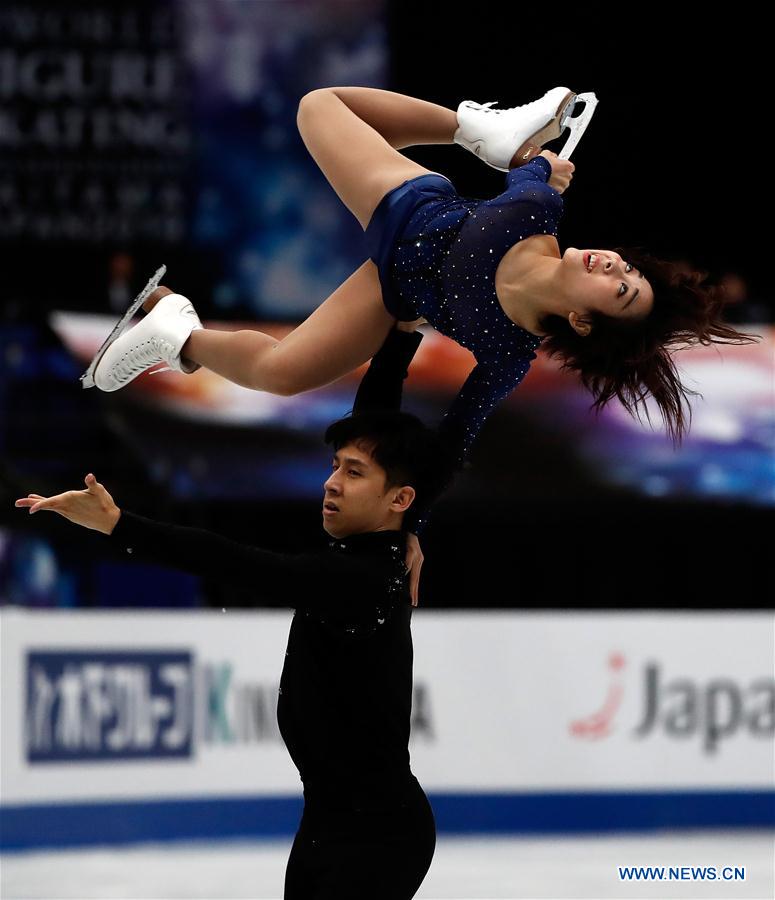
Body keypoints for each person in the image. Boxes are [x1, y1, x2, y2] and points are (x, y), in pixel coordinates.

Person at [89, 84, 757, 498]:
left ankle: (175, 333)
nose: (613, 267)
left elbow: (453, 444)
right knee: (318, 106)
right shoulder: (537, 216)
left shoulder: (507, 354)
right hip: (406, 207)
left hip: (390, 293)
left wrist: (404, 529)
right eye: (626, 270)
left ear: (582, 321)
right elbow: (530, 179)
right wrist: (534, 163)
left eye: (617, 291)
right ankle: (474, 128)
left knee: (280, 373)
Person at [15, 320, 455, 899]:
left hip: (375, 834)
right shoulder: (369, 551)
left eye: (353, 473)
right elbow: (375, 415)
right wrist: (397, 339)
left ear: (399, 500)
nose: (332, 483)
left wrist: (120, 525)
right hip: (335, 822)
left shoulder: (360, 577)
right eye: (334, 466)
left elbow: (234, 561)